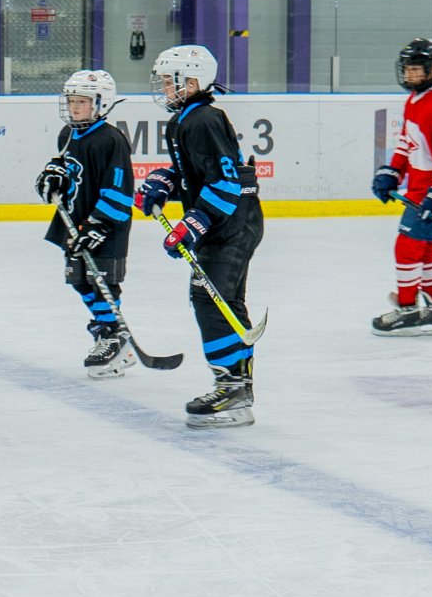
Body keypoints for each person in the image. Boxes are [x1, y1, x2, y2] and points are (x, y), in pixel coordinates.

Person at [137, 44, 264, 428]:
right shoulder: (185, 120)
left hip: (233, 224)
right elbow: (196, 173)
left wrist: (194, 223)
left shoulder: (203, 120)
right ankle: (237, 385)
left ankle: (232, 389)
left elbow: (225, 182)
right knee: (220, 300)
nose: (163, 88)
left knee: (211, 298)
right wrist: (165, 181)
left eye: (169, 81)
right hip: (227, 222)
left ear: (191, 82)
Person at [35, 69, 137, 377]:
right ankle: (110, 331)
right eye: (71, 101)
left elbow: (119, 189)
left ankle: (112, 335)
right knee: (80, 280)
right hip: (74, 223)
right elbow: (64, 167)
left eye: (82, 101)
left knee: (103, 282)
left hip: (106, 226)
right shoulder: (67, 134)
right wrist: (52, 176)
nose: (74, 107)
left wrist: (98, 224)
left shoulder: (111, 140)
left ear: (100, 104)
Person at [369, 38, 432, 336]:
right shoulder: (415, 101)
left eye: (417, 69)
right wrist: (392, 172)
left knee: (407, 248)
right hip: (421, 193)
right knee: (425, 250)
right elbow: (407, 143)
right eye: (408, 69)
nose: (411, 74)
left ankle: (408, 309)